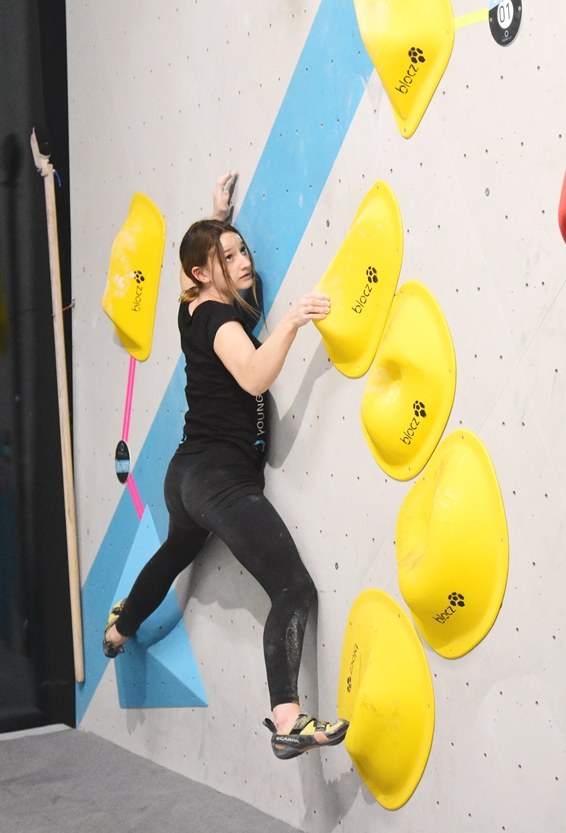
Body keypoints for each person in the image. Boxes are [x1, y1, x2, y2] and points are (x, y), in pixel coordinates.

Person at [102, 173, 346, 760]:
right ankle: (288, 720)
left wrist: (216, 216)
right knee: (292, 587)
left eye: (242, 250)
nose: (243, 260)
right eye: (227, 255)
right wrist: (291, 321)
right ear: (200, 273)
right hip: (216, 479)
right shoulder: (219, 322)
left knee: (174, 553)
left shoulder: (193, 309)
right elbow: (257, 375)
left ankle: (120, 628)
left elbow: (204, 277)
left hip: (185, 478)